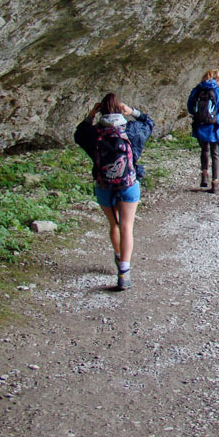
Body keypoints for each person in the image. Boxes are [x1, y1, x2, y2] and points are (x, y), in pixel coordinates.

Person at [74, 93, 154, 290]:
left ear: (100, 111)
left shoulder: (93, 133)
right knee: (127, 226)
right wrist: (132, 111)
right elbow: (149, 123)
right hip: (128, 184)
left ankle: (118, 258)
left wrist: (91, 114)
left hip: (104, 185)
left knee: (114, 225)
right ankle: (124, 274)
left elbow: (79, 134)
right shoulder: (132, 130)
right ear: (120, 110)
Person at [187, 69, 219, 193]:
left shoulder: (197, 90)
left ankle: (204, 177)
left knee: (204, 150)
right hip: (214, 126)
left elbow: (190, 108)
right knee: (215, 154)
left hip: (200, 125)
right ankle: (215, 183)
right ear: (218, 79)